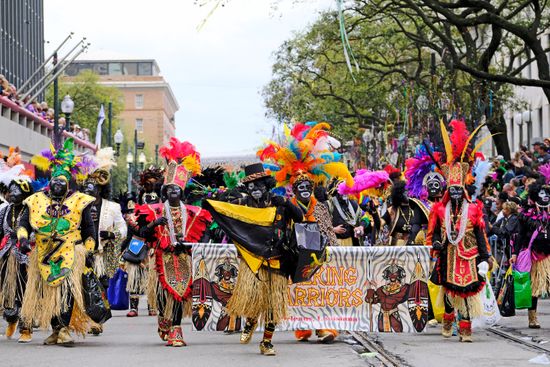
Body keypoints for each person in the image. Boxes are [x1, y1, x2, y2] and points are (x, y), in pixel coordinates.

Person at [18, 138, 98, 345]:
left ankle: (64, 328)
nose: (57, 187)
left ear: (67, 184)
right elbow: (24, 223)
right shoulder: (35, 200)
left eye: (61, 184)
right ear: (50, 183)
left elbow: (89, 228)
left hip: (71, 250)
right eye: (54, 184)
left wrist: (89, 250)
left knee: (67, 289)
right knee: (49, 291)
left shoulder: (80, 200)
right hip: (43, 252)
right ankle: (56, 329)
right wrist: (24, 240)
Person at [426, 119, 491, 343]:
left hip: (468, 256)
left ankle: (465, 331)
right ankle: (447, 321)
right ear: (448, 191)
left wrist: (485, 256)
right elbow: (434, 232)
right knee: (448, 293)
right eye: (451, 190)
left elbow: (481, 235)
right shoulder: (439, 209)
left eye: (457, 190)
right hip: (448, 256)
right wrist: (435, 243)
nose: (454, 193)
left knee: (467, 296)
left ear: (462, 190)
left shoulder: (473, 210)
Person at [145, 138, 212, 347]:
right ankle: (164, 318)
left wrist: (197, 246)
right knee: (164, 295)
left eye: (177, 190)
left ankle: (176, 330)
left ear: (182, 192)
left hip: (183, 258)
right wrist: (154, 224)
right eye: (170, 189)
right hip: (160, 258)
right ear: (165, 192)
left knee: (179, 294)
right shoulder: (153, 210)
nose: (173, 192)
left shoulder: (194, 213)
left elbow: (203, 234)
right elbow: (141, 231)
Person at [80, 147, 127, 335]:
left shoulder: (113, 208)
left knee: (100, 286)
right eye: (87, 188)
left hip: (102, 255)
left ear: (101, 189)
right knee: (84, 286)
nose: (90, 191)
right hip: (82, 253)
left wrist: (112, 234)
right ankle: (87, 318)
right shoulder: (77, 205)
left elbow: (123, 229)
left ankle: (97, 320)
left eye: (94, 188)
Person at [0, 152, 34, 342]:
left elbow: (37, 230)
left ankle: (26, 327)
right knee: (7, 291)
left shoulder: (32, 210)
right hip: (6, 256)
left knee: (25, 291)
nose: (12, 194)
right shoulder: (4, 210)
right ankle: (11, 318)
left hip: (26, 256)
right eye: (10, 191)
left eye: (16, 191)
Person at [123, 166, 164, 318]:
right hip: (137, 245)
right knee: (134, 277)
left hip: (154, 247)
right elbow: (137, 232)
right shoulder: (134, 214)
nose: (149, 202)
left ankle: (152, 306)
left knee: (151, 278)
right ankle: (133, 307)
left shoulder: (162, 214)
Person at [512, 164, 550, 328]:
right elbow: (520, 235)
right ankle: (532, 318)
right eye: (541, 193)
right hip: (534, 255)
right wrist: (514, 253)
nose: (545, 196)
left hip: (549, 256)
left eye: (547, 193)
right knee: (533, 289)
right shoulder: (526, 215)